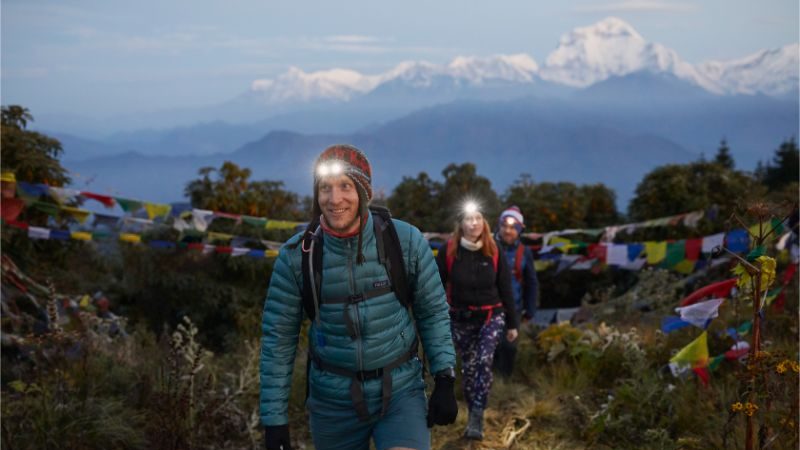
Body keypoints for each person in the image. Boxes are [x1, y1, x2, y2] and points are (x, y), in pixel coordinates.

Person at [259, 144, 458, 450]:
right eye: (325, 188)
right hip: (332, 402)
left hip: (400, 392)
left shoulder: (404, 242)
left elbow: (432, 312)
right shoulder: (297, 256)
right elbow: (278, 339)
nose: (334, 199)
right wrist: (274, 419)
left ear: (364, 193)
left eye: (345, 186)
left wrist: (444, 378)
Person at [435, 201, 518, 440]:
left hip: (491, 317)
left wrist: (512, 324)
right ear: (461, 224)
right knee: (470, 370)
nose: (474, 224)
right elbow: (437, 287)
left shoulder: (494, 250)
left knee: (483, 361)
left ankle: (477, 416)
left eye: (478, 219)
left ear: (484, 222)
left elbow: (505, 287)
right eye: (469, 219)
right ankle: (473, 411)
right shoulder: (448, 251)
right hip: (460, 320)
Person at [493, 206, 539, 378]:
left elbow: (532, 282)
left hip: (513, 307)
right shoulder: (488, 247)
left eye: (513, 227)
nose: (507, 231)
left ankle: (503, 383)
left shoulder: (524, 252)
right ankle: (486, 384)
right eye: (504, 226)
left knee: (509, 347)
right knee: (491, 346)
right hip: (488, 306)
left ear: (519, 230)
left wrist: (530, 309)